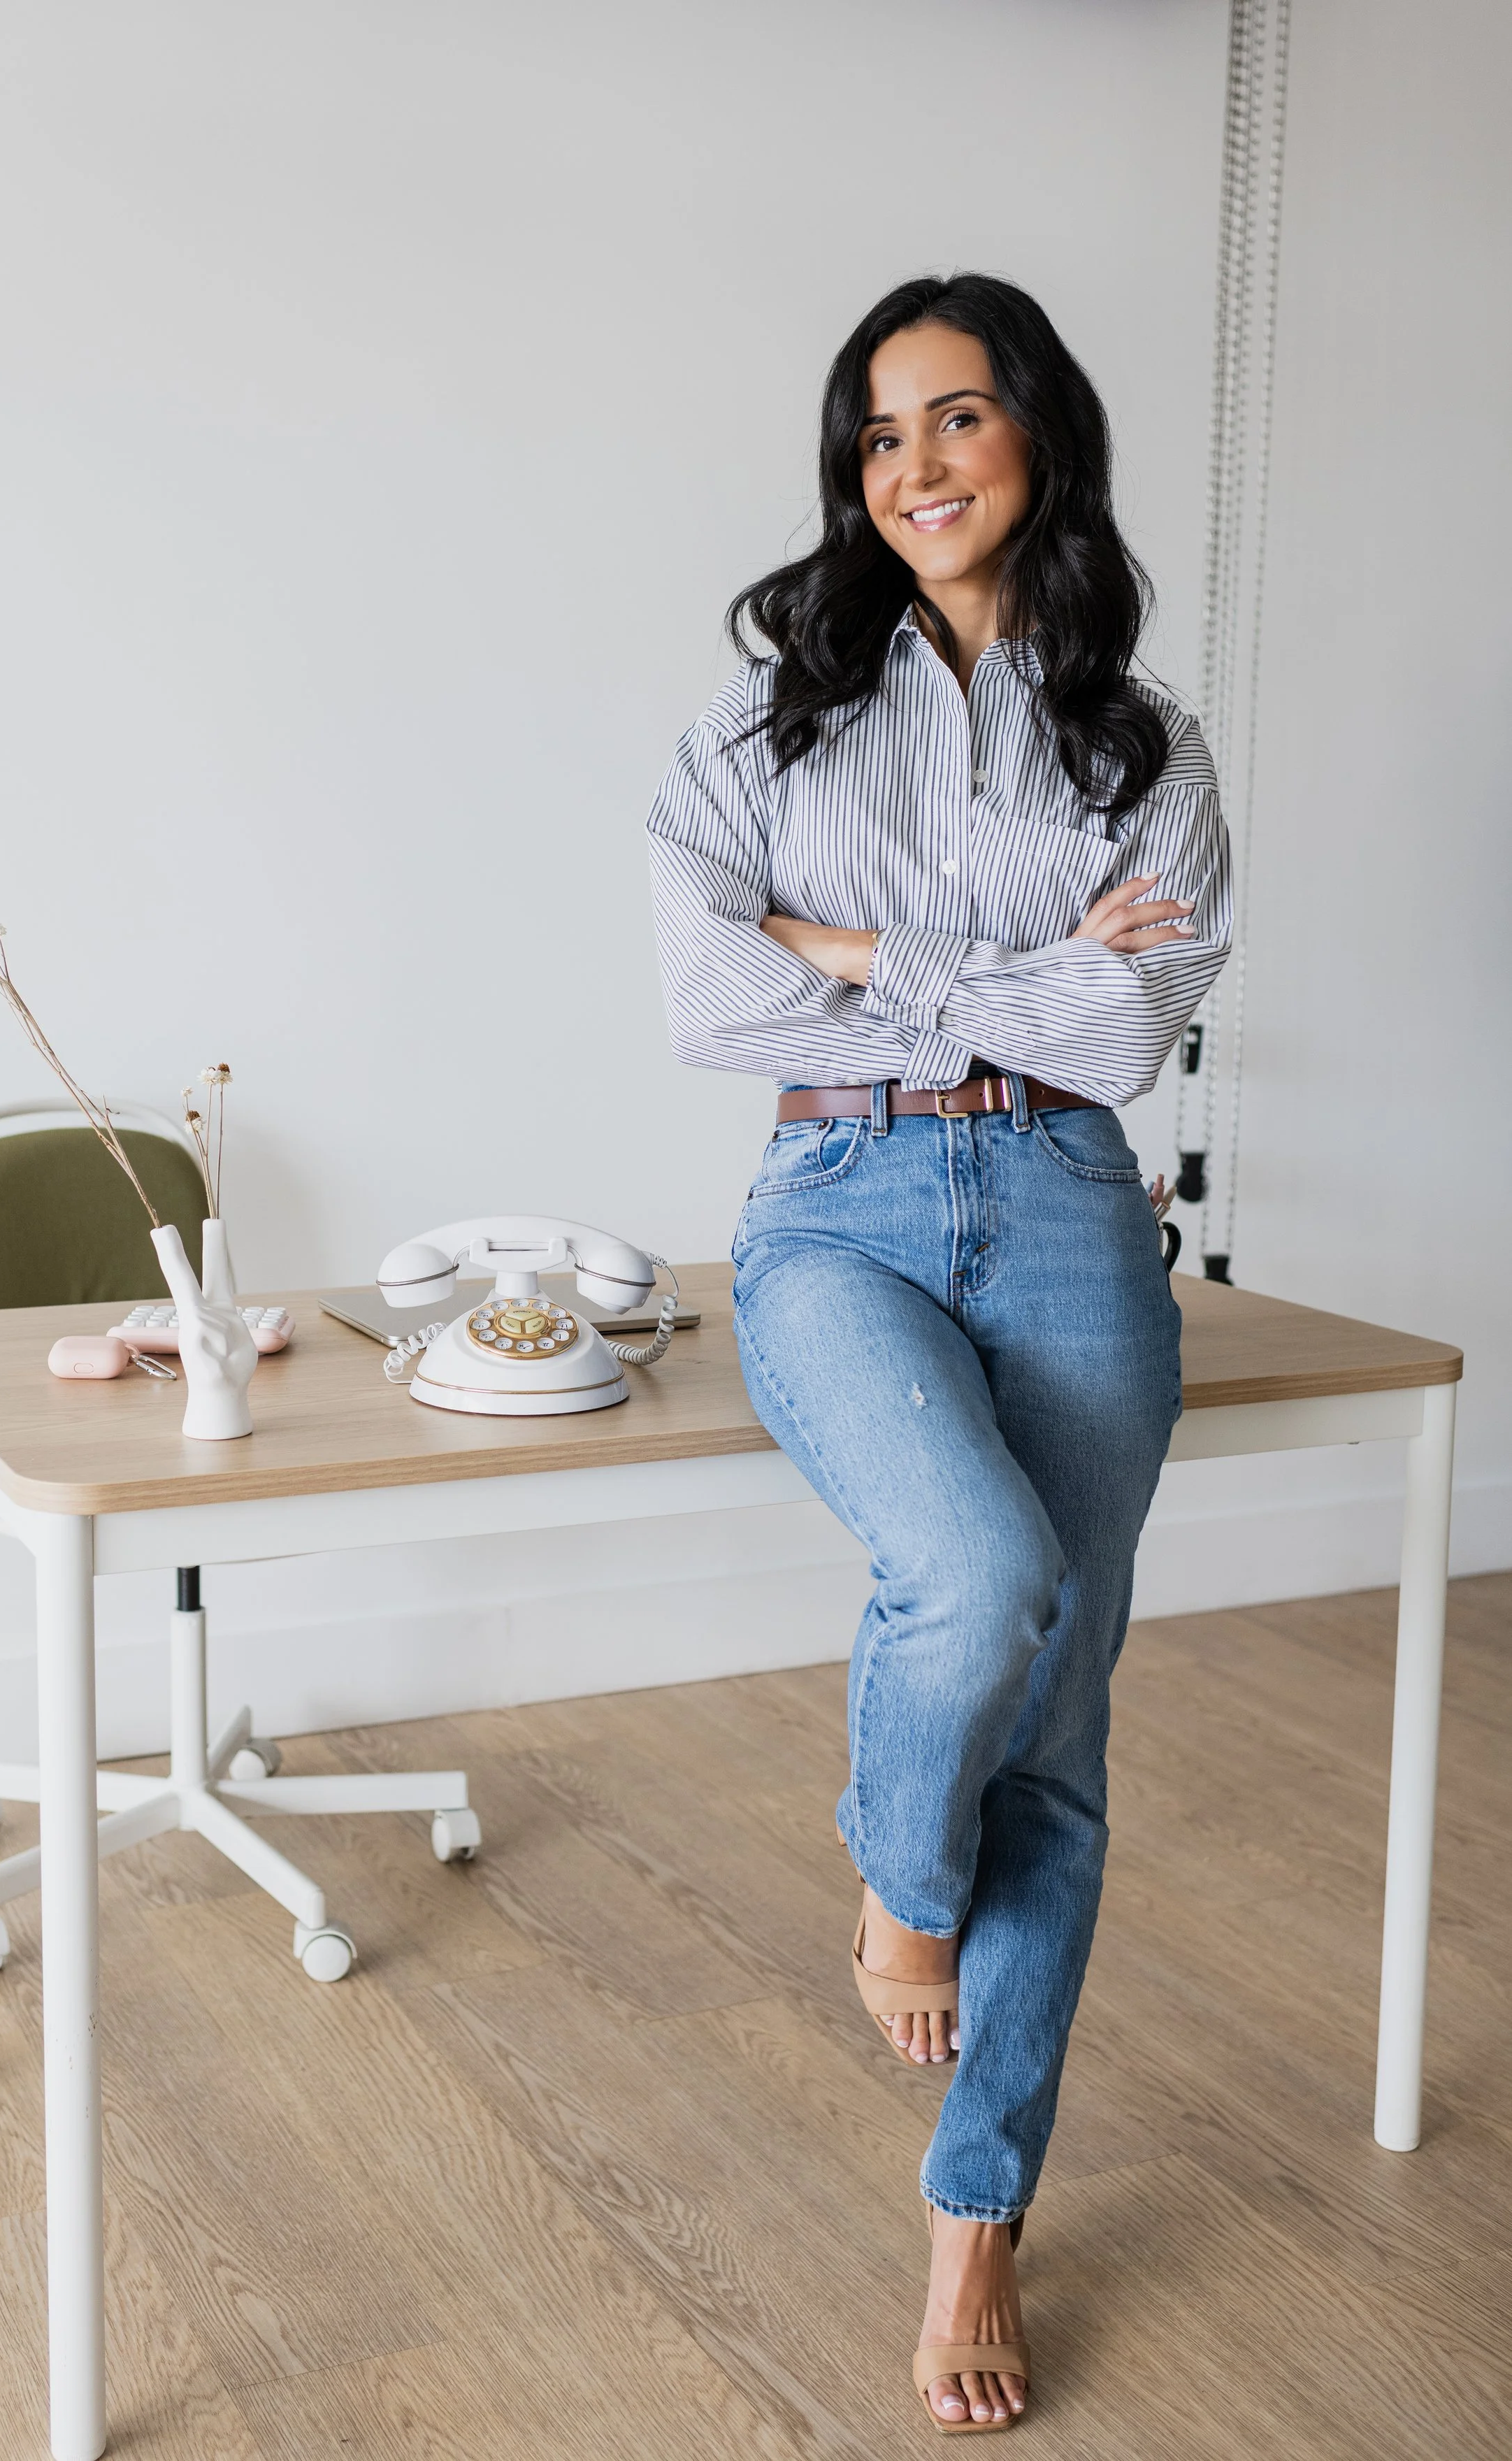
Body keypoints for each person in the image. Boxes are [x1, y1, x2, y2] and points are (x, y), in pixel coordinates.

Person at [647, 271, 1230, 2434]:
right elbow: (709, 1009)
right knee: (976, 1580)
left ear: (1039, 441)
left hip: (1076, 1210)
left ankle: (972, 2226)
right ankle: (899, 1885)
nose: (913, 469)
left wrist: (852, 944)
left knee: (1057, 1747)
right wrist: (998, 968)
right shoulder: (763, 718)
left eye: (955, 420)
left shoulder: (1144, 749)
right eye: (877, 436)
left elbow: (1121, 1032)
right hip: (838, 1214)